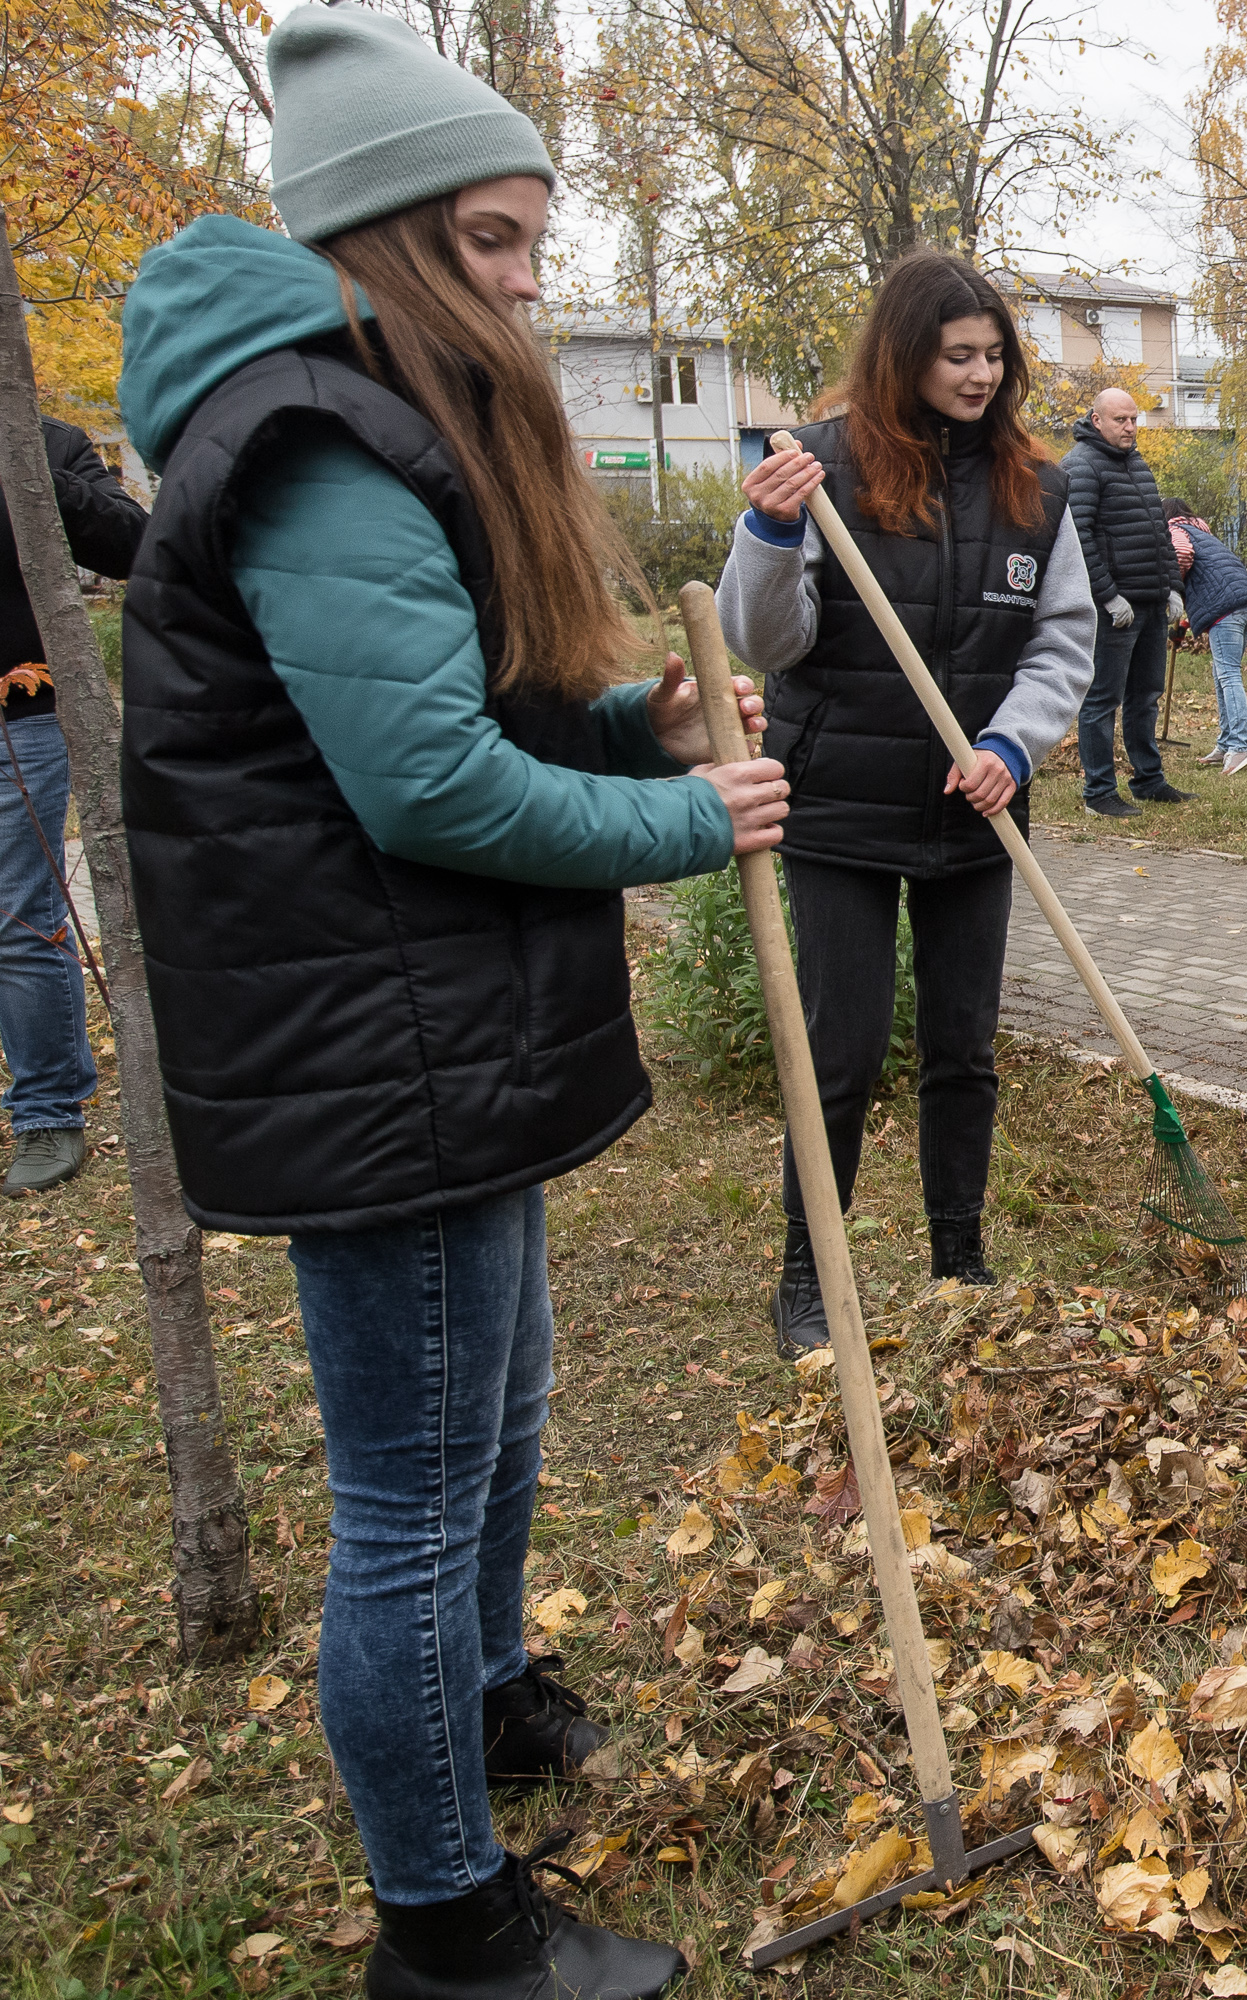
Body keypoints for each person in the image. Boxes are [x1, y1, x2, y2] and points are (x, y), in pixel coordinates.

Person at [115, 9, 789, 1991]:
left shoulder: (362, 419)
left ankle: (487, 1694)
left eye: (526, 242)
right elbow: (423, 789)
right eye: (493, 244)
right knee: (409, 1492)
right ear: (382, 241)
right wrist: (690, 820)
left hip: (429, 1023)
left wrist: (628, 721)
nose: (525, 284)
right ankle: (448, 1923)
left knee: (498, 1411)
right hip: (369, 1039)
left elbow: (453, 710)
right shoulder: (317, 439)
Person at [722, 255, 1094, 1357]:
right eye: (957, 355)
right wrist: (773, 537)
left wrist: (1011, 745)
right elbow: (765, 640)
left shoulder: (1036, 484)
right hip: (837, 803)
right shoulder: (822, 466)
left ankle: (958, 1258)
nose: (980, 375)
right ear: (905, 353)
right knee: (840, 1050)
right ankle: (808, 1273)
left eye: (994, 356)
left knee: (962, 1047)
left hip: (974, 807)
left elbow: (1064, 640)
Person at [0, 418, 143, 1194]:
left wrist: (27, 471)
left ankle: (47, 1112)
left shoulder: (43, 440)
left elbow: (129, 544)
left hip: (17, 722)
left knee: (18, 920)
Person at [1063, 387, 1187, 815]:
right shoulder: (1081, 466)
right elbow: (1077, 540)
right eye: (1121, 420)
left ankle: (1148, 780)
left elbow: (1160, 533)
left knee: (1146, 696)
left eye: (1134, 419)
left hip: (1150, 603)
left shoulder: (1137, 464)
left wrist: (1173, 587)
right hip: (1116, 610)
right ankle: (1098, 793)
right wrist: (1109, 596)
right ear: (1097, 420)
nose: (1131, 427)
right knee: (1102, 700)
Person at [1164, 497, 1247, 774]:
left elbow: (1182, 556)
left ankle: (1240, 746)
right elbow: (1209, 581)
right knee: (1221, 673)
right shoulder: (1203, 534)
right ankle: (1226, 744)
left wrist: (1172, 588)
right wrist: (1184, 624)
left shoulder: (1176, 531)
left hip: (1226, 610)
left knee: (1228, 674)